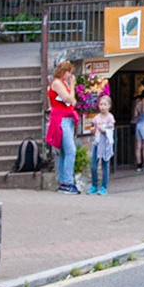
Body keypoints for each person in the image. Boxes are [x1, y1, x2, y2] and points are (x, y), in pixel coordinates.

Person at [47, 61, 79, 193]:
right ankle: (67, 182)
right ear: (63, 72)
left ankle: (63, 181)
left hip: (67, 117)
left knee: (64, 151)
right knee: (71, 150)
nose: (70, 75)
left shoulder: (63, 83)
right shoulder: (57, 83)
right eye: (68, 72)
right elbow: (69, 99)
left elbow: (73, 101)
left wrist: (71, 93)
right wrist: (73, 85)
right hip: (61, 119)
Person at [85, 94, 115, 196]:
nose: (102, 107)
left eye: (105, 104)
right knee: (93, 165)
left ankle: (104, 187)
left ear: (109, 106)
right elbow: (94, 128)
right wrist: (93, 130)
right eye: (101, 104)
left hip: (105, 144)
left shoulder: (110, 117)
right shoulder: (96, 118)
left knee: (104, 165)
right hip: (97, 143)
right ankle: (94, 185)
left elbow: (111, 129)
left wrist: (105, 130)